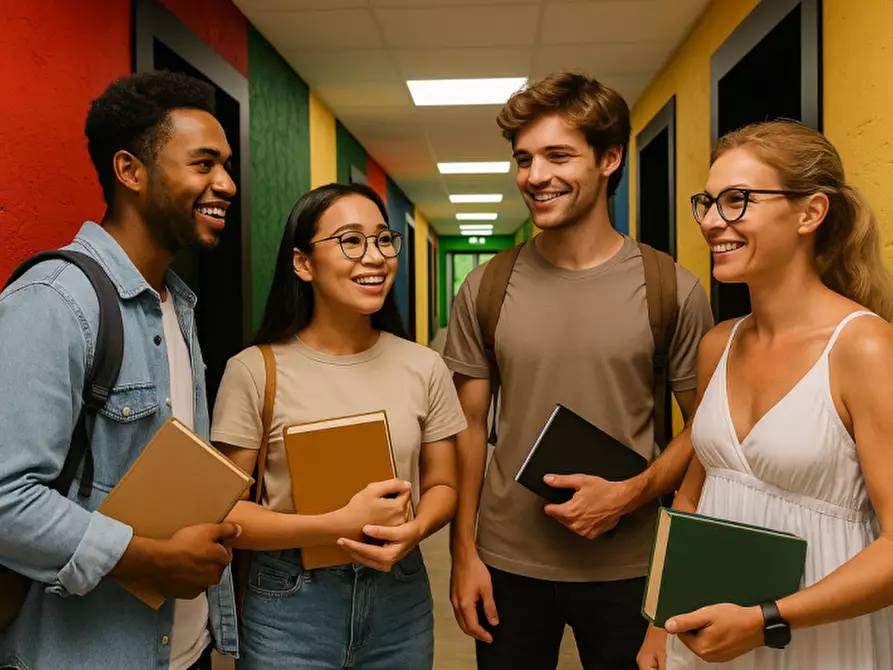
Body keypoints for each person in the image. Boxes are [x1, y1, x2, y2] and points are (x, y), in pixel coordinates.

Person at [444, 71, 714, 669]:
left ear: (609, 158)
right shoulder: (486, 285)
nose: (534, 176)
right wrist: (465, 553)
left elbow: (708, 429)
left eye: (557, 155)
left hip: (632, 567)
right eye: (523, 159)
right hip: (507, 564)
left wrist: (630, 493)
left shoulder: (670, 288)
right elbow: (467, 428)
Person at [0, 71, 241, 670]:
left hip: (182, 651)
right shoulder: (56, 303)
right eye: (204, 164)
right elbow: (5, 498)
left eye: (226, 166)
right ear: (131, 172)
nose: (227, 184)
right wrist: (150, 559)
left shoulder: (176, 308)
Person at [638, 120, 893, 670]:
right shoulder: (719, 344)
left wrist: (767, 619)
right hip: (706, 634)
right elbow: (691, 500)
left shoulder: (863, 347)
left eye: (737, 201)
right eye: (707, 202)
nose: (710, 221)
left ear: (810, 212)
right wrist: (660, 623)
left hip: (815, 637)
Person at [210, 182, 467, 669]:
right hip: (290, 606)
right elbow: (228, 516)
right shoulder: (254, 371)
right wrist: (337, 526)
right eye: (351, 240)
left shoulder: (425, 366)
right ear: (302, 263)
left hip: (401, 602)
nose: (374, 257)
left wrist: (414, 530)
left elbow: (444, 484)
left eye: (383, 239)